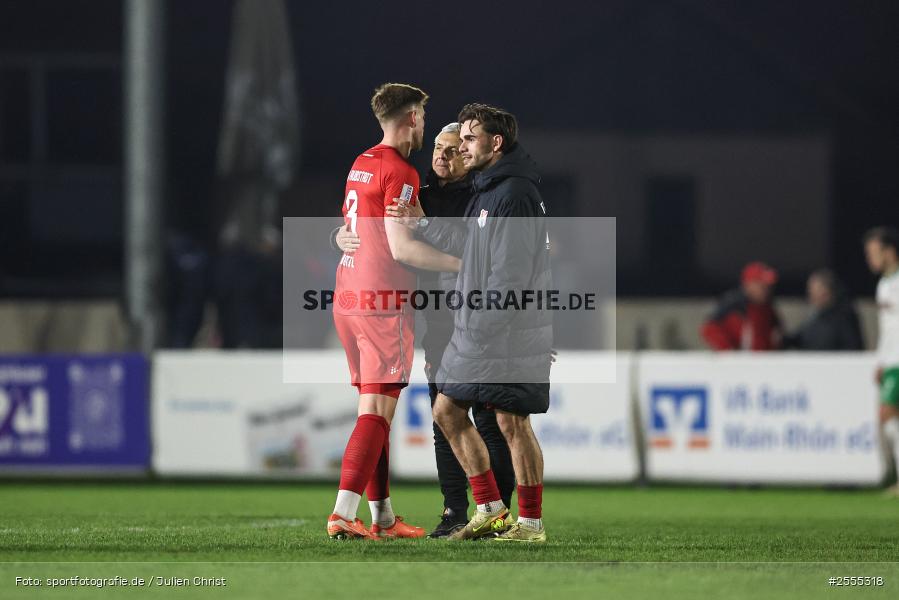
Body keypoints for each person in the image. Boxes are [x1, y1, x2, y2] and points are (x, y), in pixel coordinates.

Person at [339, 123, 515, 538]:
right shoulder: (419, 195)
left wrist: (426, 225)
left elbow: (478, 249)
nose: (441, 156)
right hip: (438, 322)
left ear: (468, 158)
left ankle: (499, 511)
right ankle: (454, 510)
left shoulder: (479, 199)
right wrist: (340, 234)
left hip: (478, 319)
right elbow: (376, 230)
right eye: (437, 147)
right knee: (444, 419)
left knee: (490, 420)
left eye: (453, 150)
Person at [394, 103, 552, 542]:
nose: (461, 148)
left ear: (495, 142)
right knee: (455, 412)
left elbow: (511, 273)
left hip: (499, 327)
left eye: (468, 139)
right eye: (456, 140)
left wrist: (481, 326)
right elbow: (475, 254)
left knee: (509, 422)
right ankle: (492, 510)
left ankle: (527, 523)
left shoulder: (513, 193)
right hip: (480, 324)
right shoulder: (491, 189)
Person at [327, 83, 461, 540]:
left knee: (373, 409)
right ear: (410, 119)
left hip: (347, 296)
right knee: (377, 413)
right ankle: (344, 513)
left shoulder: (363, 162)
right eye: (423, 115)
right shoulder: (400, 170)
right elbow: (404, 249)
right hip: (381, 302)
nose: (424, 122)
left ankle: (382, 516)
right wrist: (467, 264)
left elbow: (353, 226)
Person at [863, 226, 899, 496]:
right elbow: (887, 327)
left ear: (889, 251)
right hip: (890, 361)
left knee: (887, 414)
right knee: (890, 420)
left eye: (874, 253)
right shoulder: (883, 284)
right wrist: (880, 360)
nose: (870, 259)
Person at [701, 261, 783, 351]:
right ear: (748, 284)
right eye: (761, 285)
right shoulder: (733, 307)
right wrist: (730, 353)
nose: (766, 290)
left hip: (762, 362)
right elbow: (709, 329)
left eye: (768, 286)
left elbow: (774, 338)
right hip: (739, 363)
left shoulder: (767, 309)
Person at [783, 269, 863, 351]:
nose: (810, 294)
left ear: (826, 291)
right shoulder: (815, 316)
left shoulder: (844, 317)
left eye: (814, 290)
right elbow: (802, 337)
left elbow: (852, 348)